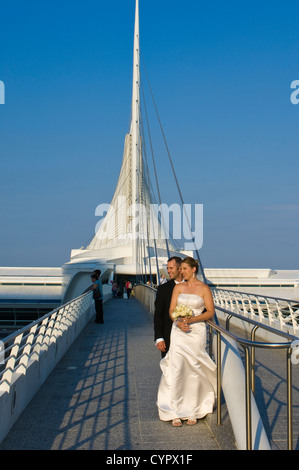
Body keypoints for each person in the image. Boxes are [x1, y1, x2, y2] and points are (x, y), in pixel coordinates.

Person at [157, 256, 217, 427]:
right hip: (178, 331)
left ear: (193, 269)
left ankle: (193, 409)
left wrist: (192, 320)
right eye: (180, 268)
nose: (181, 271)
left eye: (183, 268)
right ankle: (174, 410)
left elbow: (210, 312)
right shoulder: (179, 288)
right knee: (177, 367)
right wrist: (178, 320)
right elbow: (171, 310)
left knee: (194, 368)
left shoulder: (204, 288)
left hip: (196, 331)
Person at [154, 257, 183, 358]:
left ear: (180, 269)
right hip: (168, 337)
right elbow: (158, 314)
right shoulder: (163, 289)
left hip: (189, 337)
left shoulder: (191, 287)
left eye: (171, 268)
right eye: (167, 268)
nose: (168, 271)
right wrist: (159, 337)